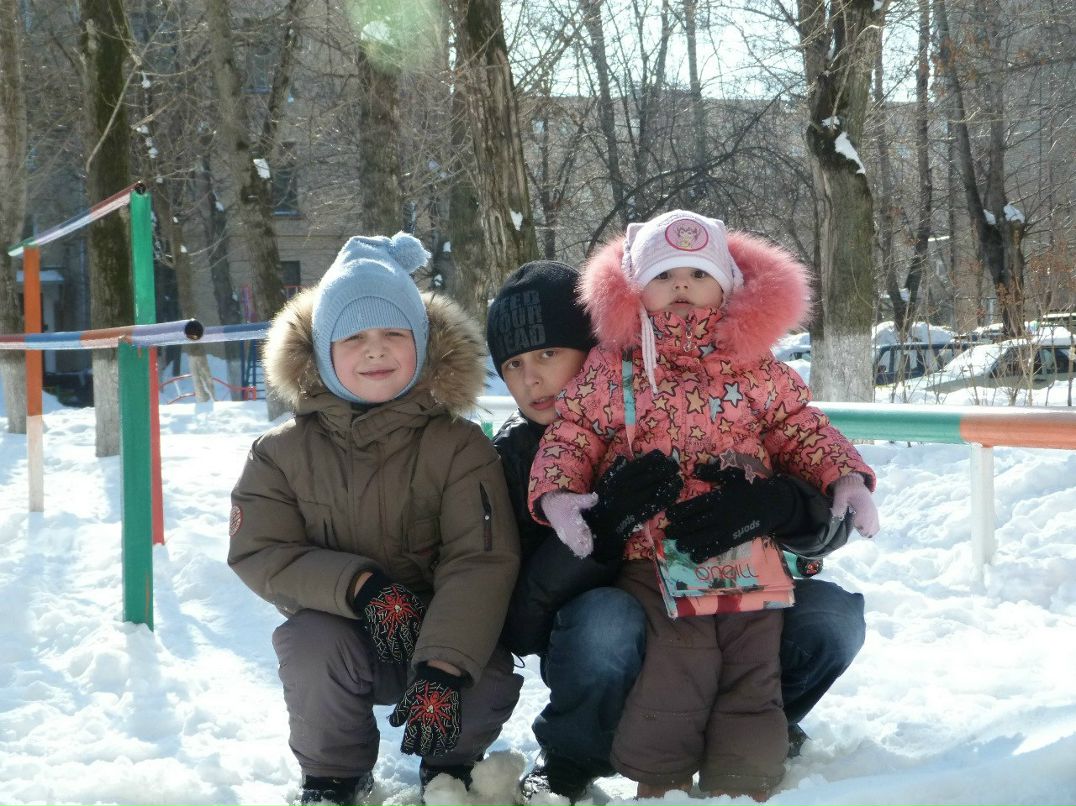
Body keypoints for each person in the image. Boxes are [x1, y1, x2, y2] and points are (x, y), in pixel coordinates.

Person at [486, 259, 870, 804]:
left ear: (596, 341)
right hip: (618, 619)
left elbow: (817, 499)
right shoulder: (520, 455)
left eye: (549, 353)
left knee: (831, 619)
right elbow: (522, 623)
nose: (532, 378)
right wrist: (604, 528)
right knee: (607, 627)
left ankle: (753, 738)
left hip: (738, 576)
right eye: (512, 365)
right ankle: (573, 760)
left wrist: (777, 505)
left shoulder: (718, 382)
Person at [228, 233, 523, 806]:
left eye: (393, 334)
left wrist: (442, 664)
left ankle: (447, 768)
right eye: (353, 337)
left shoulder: (460, 446)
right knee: (309, 644)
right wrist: (360, 588)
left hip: (441, 627)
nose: (375, 350)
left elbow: (481, 558)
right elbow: (261, 551)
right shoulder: (279, 453)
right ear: (320, 352)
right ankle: (334, 776)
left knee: (481, 667)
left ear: (422, 344)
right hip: (342, 631)